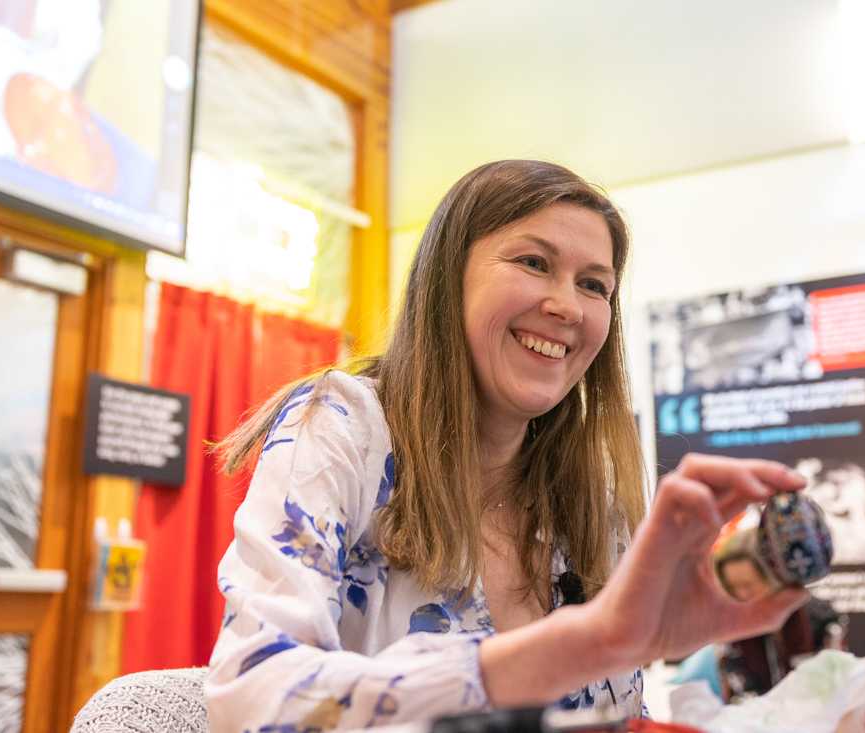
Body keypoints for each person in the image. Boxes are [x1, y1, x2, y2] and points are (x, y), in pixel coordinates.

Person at [205, 159, 809, 731]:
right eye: (533, 262)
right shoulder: (343, 428)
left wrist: (666, 637)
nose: (567, 306)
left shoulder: (593, 493)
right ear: (449, 278)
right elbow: (252, 696)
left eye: (594, 284)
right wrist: (586, 643)